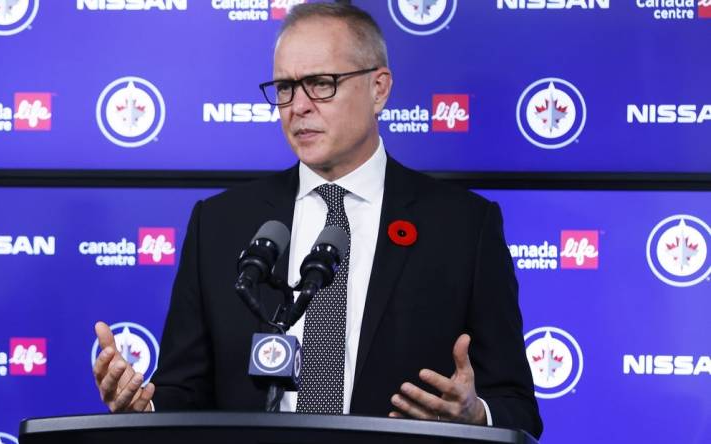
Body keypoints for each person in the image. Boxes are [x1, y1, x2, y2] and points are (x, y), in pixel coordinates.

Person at [92, 2, 542, 438]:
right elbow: (185, 393)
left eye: (321, 83)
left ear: (379, 88)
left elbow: (519, 408)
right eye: (285, 87)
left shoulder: (463, 227)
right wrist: (143, 408)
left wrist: (474, 414)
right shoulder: (219, 224)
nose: (298, 106)